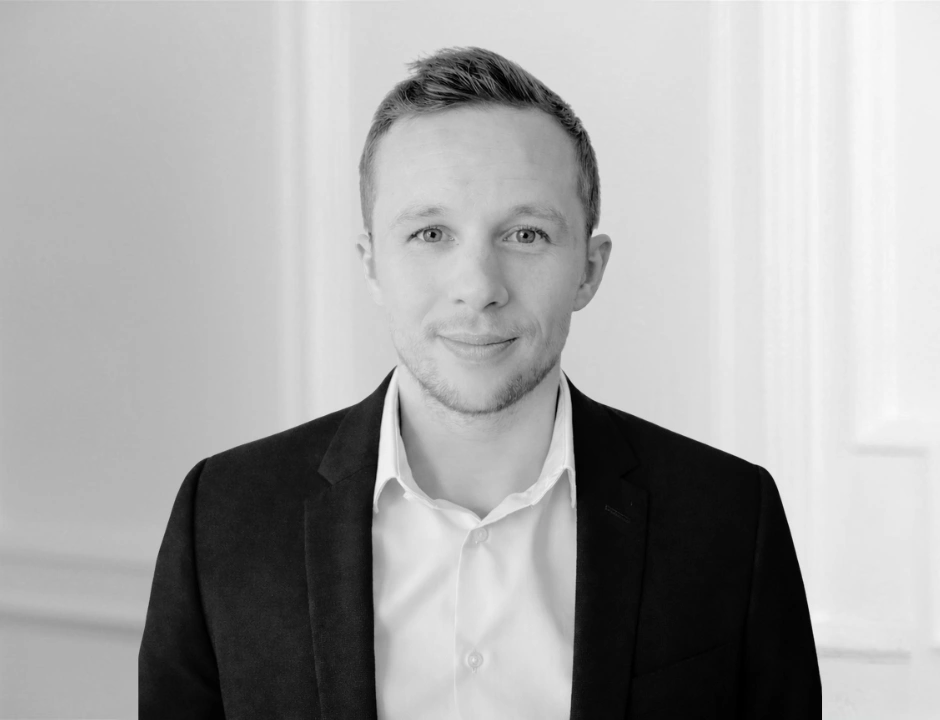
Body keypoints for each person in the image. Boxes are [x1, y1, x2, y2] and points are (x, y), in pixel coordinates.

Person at [139, 46, 821, 719]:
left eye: (525, 235)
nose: (479, 288)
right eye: (431, 233)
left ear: (589, 270)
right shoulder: (223, 516)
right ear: (372, 264)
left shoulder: (731, 519)